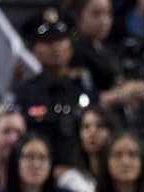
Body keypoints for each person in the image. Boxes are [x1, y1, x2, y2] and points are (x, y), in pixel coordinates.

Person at [12, 10, 98, 168]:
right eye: (47, 42)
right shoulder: (24, 94)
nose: (55, 48)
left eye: (60, 40)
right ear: (33, 50)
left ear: (71, 47)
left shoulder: (84, 89)